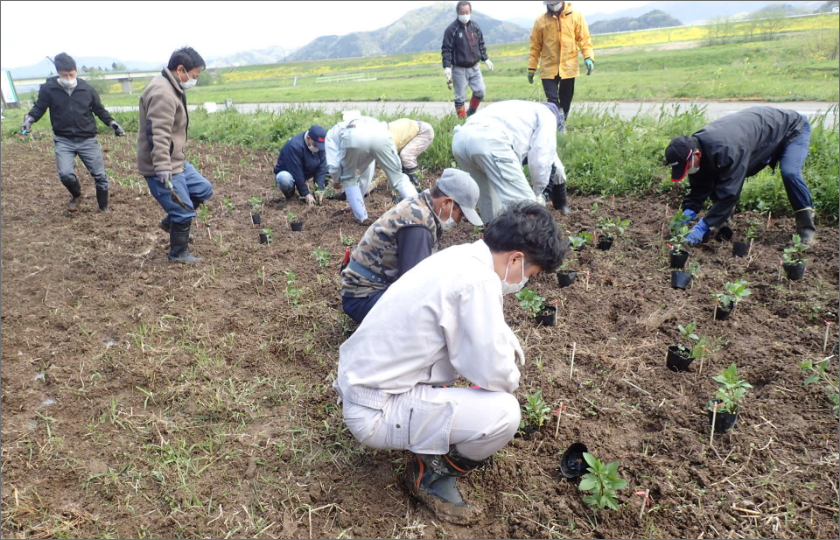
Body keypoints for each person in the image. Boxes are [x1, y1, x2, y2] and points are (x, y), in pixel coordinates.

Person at [333, 202, 565, 524]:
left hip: (359, 383)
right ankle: (430, 472)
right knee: (504, 413)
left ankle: (425, 438)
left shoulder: (461, 256)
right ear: (516, 259)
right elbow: (495, 374)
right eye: (531, 273)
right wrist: (510, 376)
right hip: (374, 410)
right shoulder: (478, 282)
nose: (525, 280)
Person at [340, 169, 483, 324]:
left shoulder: (421, 202)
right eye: (460, 214)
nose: (458, 221)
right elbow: (413, 288)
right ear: (446, 202)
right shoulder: (419, 226)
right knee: (431, 319)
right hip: (363, 297)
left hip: (366, 288)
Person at [666, 106, 817, 245]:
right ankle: (722, 223)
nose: (687, 172)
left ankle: (806, 228)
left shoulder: (727, 150)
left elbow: (730, 192)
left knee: (790, 172)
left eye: (686, 167)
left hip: (792, 128)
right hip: (758, 134)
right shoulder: (694, 148)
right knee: (712, 173)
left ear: (696, 154)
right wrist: (686, 214)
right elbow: (699, 187)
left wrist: (703, 225)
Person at [137, 46, 214, 263]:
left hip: (176, 160)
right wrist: (162, 166)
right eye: (194, 76)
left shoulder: (171, 86)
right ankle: (178, 253)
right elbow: (158, 133)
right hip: (162, 165)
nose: (194, 80)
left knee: (203, 189)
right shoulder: (162, 92)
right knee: (184, 211)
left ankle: (171, 222)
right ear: (181, 69)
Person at [22, 52, 125, 212]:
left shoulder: (86, 88)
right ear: (58, 73)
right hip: (64, 140)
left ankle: (104, 207)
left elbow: (99, 109)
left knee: (100, 177)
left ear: (76, 71)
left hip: (87, 139)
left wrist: (112, 123)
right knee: (65, 174)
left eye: (72, 74)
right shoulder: (49, 89)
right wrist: (29, 121)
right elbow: (38, 108)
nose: (69, 78)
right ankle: (77, 195)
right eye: (65, 75)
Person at [452, 100, 568, 223]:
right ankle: (533, 240)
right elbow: (542, 158)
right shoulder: (548, 115)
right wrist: (538, 193)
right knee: (526, 208)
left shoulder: (516, 108)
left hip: (460, 139)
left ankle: (493, 238)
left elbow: (554, 162)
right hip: (490, 141)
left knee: (489, 203)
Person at [325, 115, 418, 223]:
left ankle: (362, 218)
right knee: (398, 177)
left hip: (354, 135)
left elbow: (334, 166)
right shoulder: (367, 120)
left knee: (348, 178)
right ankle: (420, 210)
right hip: (381, 133)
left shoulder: (331, 134)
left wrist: (337, 180)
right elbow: (367, 171)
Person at [527, 1, 594, 123]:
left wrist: (588, 57)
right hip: (548, 67)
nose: (552, 5)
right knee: (552, 101)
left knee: (566, 100)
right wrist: (532, 68)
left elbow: (584, 39)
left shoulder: (576, 16)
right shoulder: (540, 21)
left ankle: (562, 122)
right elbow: (535, 47)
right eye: (550, 3)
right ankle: (557, 126)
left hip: (569, 66)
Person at [441, 1, 494, 118]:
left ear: (470, 12)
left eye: (467, 12)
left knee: (480, 91)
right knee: (459, 97)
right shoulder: (451, 30)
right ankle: (461, 121)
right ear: (457, 13)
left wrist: (486, 59)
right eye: (462, 12)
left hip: (475, 67)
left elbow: (481, 44)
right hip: (459, 69)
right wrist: (447, 66)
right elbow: (446, 49)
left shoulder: (475, 27)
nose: (464, 15)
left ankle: (471, 113)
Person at [273, 125, 328, 206]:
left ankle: (317, 195)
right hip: (290, 172)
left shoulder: (320, 147)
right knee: (284, 178)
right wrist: (306, 194)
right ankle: (290, 195)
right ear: (308, 138)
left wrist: (319, 189)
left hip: (306, 171)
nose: (318, 148)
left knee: (330, 166)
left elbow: (321, 168)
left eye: (320, 145)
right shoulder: (294, 146)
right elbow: (296, 172)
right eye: (315, 144)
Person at [389, 118, 435, 189]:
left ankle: (417, 188)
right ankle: (407, 185)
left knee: (406, 156)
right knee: (400, 159)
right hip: (411, 130)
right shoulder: (384, 135)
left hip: (423, 131)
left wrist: (373, 184)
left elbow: (390, 166)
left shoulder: (389, 142)